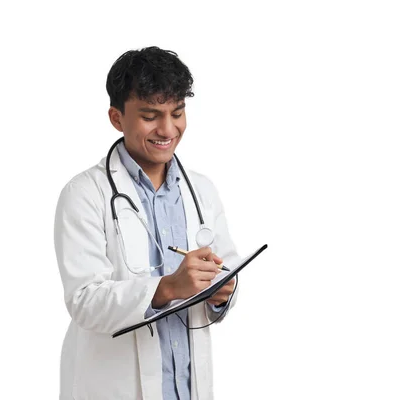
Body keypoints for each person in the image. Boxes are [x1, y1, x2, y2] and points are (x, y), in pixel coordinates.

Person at [54, 46, 240, 400]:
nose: (168, 129)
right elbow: (84, 300)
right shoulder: (84, 194)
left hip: (187, 387)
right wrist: (167, 288)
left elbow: (224, 267)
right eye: (151, 115)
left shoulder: (201, 190)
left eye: (177, 112)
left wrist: (221, 291)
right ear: (116, 117)